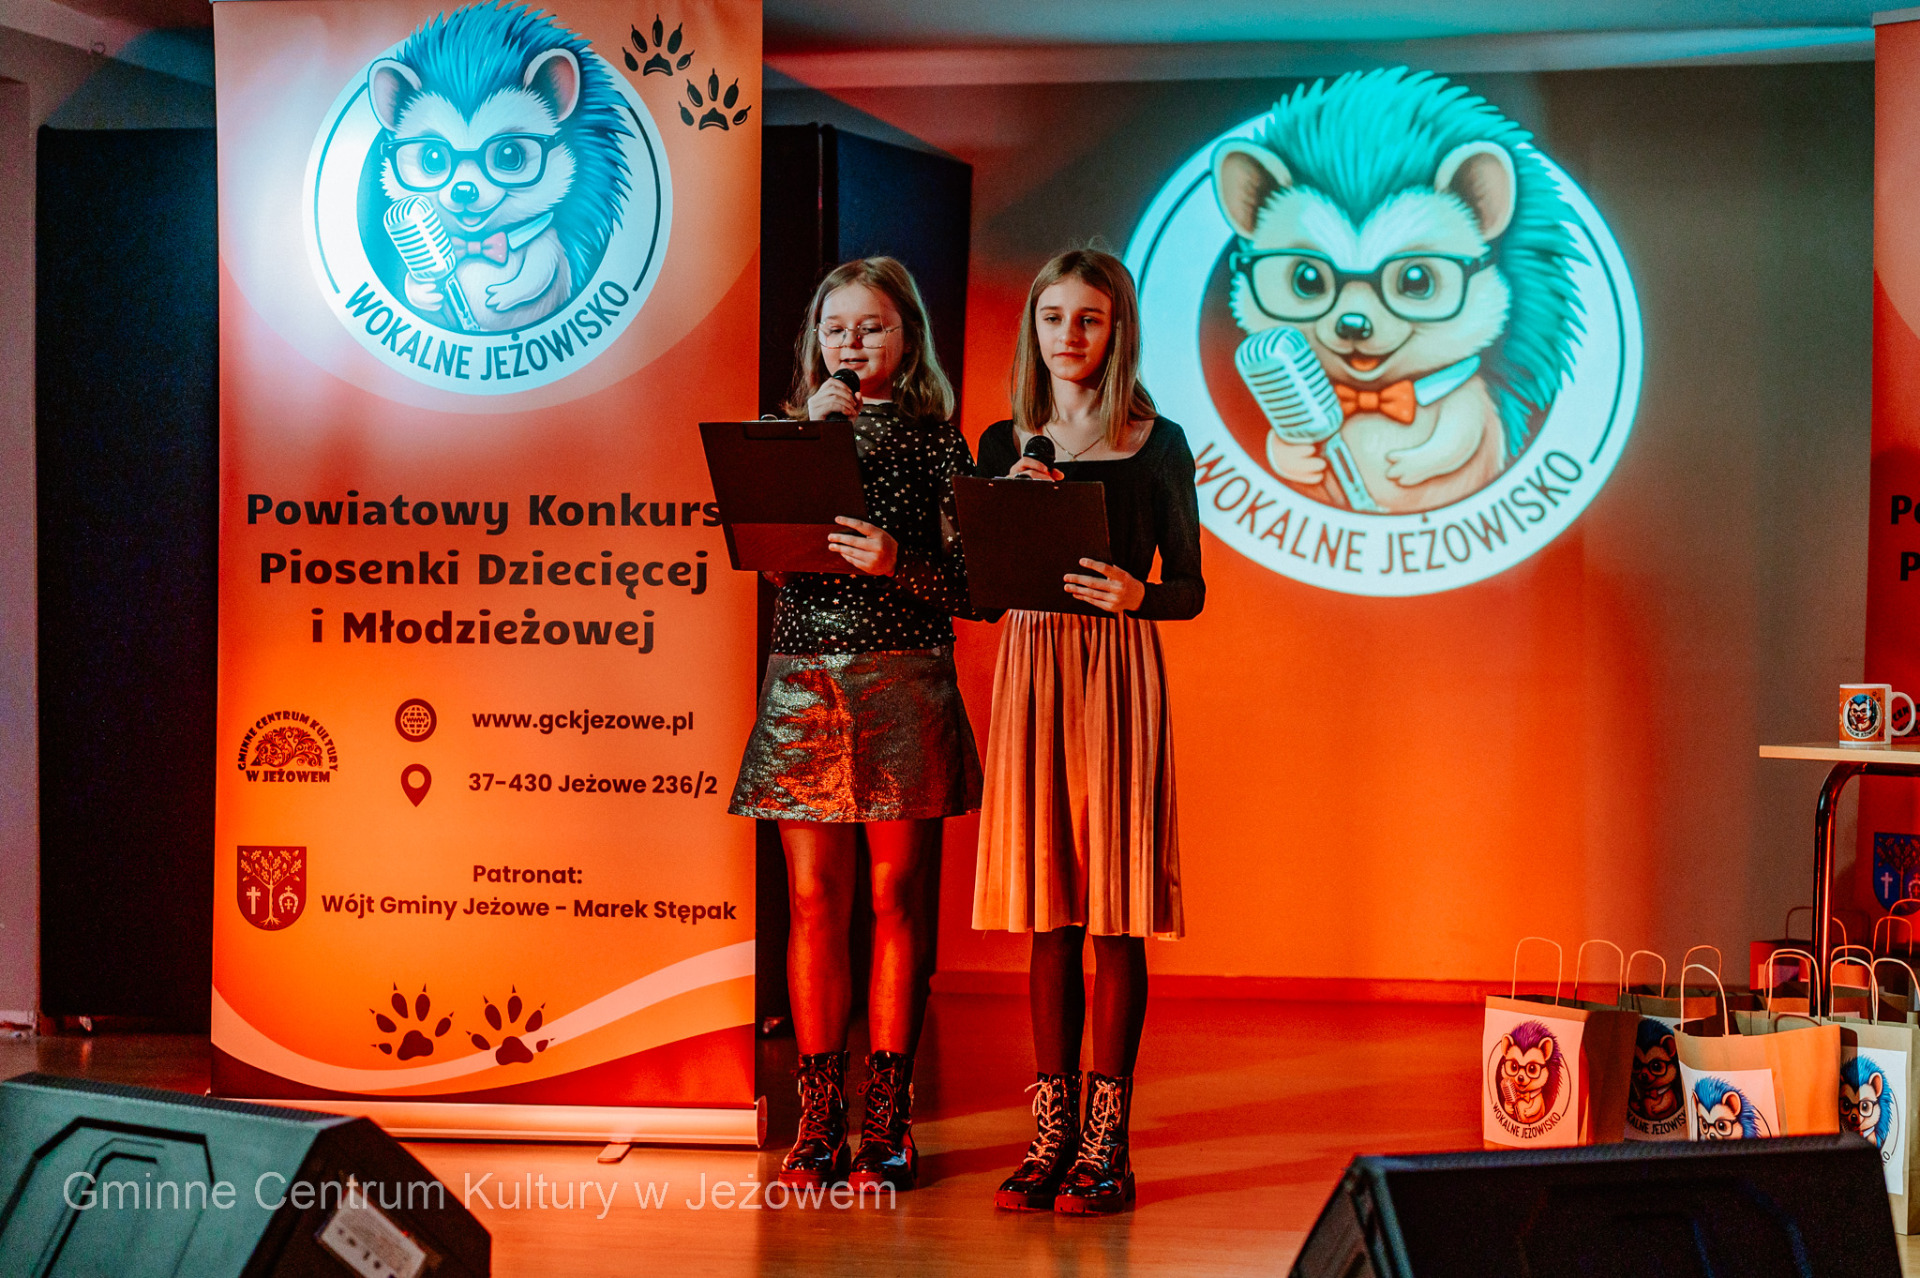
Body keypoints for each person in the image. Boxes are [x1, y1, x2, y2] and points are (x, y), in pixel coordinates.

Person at [728, 257, 978, 1192]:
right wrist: (807, 448)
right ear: (816, 342)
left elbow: (975, 588)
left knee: (894, 898)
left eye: (871, 327)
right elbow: (764, 554)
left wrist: (896, 560)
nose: (852, 343)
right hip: (805, 682)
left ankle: (888, 1117)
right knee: (811, 900)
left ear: (906, 336)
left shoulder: (937, 443)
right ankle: (818, 1115)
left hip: (904, 677)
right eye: (836, 329)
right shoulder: (787, 434)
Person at [972, 248, 1203, 1215]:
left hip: (1115, 671)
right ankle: (1052, 1135)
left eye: (1089, 319)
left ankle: (1110, 1146)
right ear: (1034, 328)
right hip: (1032, 667)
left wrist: (1138, 593)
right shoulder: (1002, 440)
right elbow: (981, 593)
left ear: (1118, 331)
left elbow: (1189, 589)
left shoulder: (1159, 442)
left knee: (1113, 911)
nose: (1069, 335)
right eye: (1053, 317)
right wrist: (1010, 505)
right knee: (1050, 909)